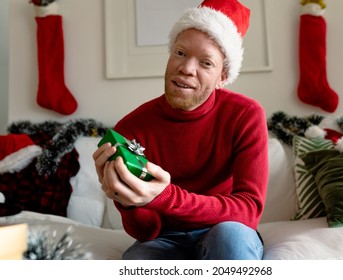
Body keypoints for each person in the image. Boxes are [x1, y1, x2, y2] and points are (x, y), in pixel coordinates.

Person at [93, 0, 269, 260]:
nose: (186, 68)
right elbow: (146, 231)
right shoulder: (131, 128)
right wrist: (127, 200)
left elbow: (248, 210)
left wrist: (166, 197)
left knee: (229, 239)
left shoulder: (245, 115)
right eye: (180, 53)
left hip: (225, 228)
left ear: (222, 77)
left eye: (206, 63)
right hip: (165, 238)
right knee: (137, 260)